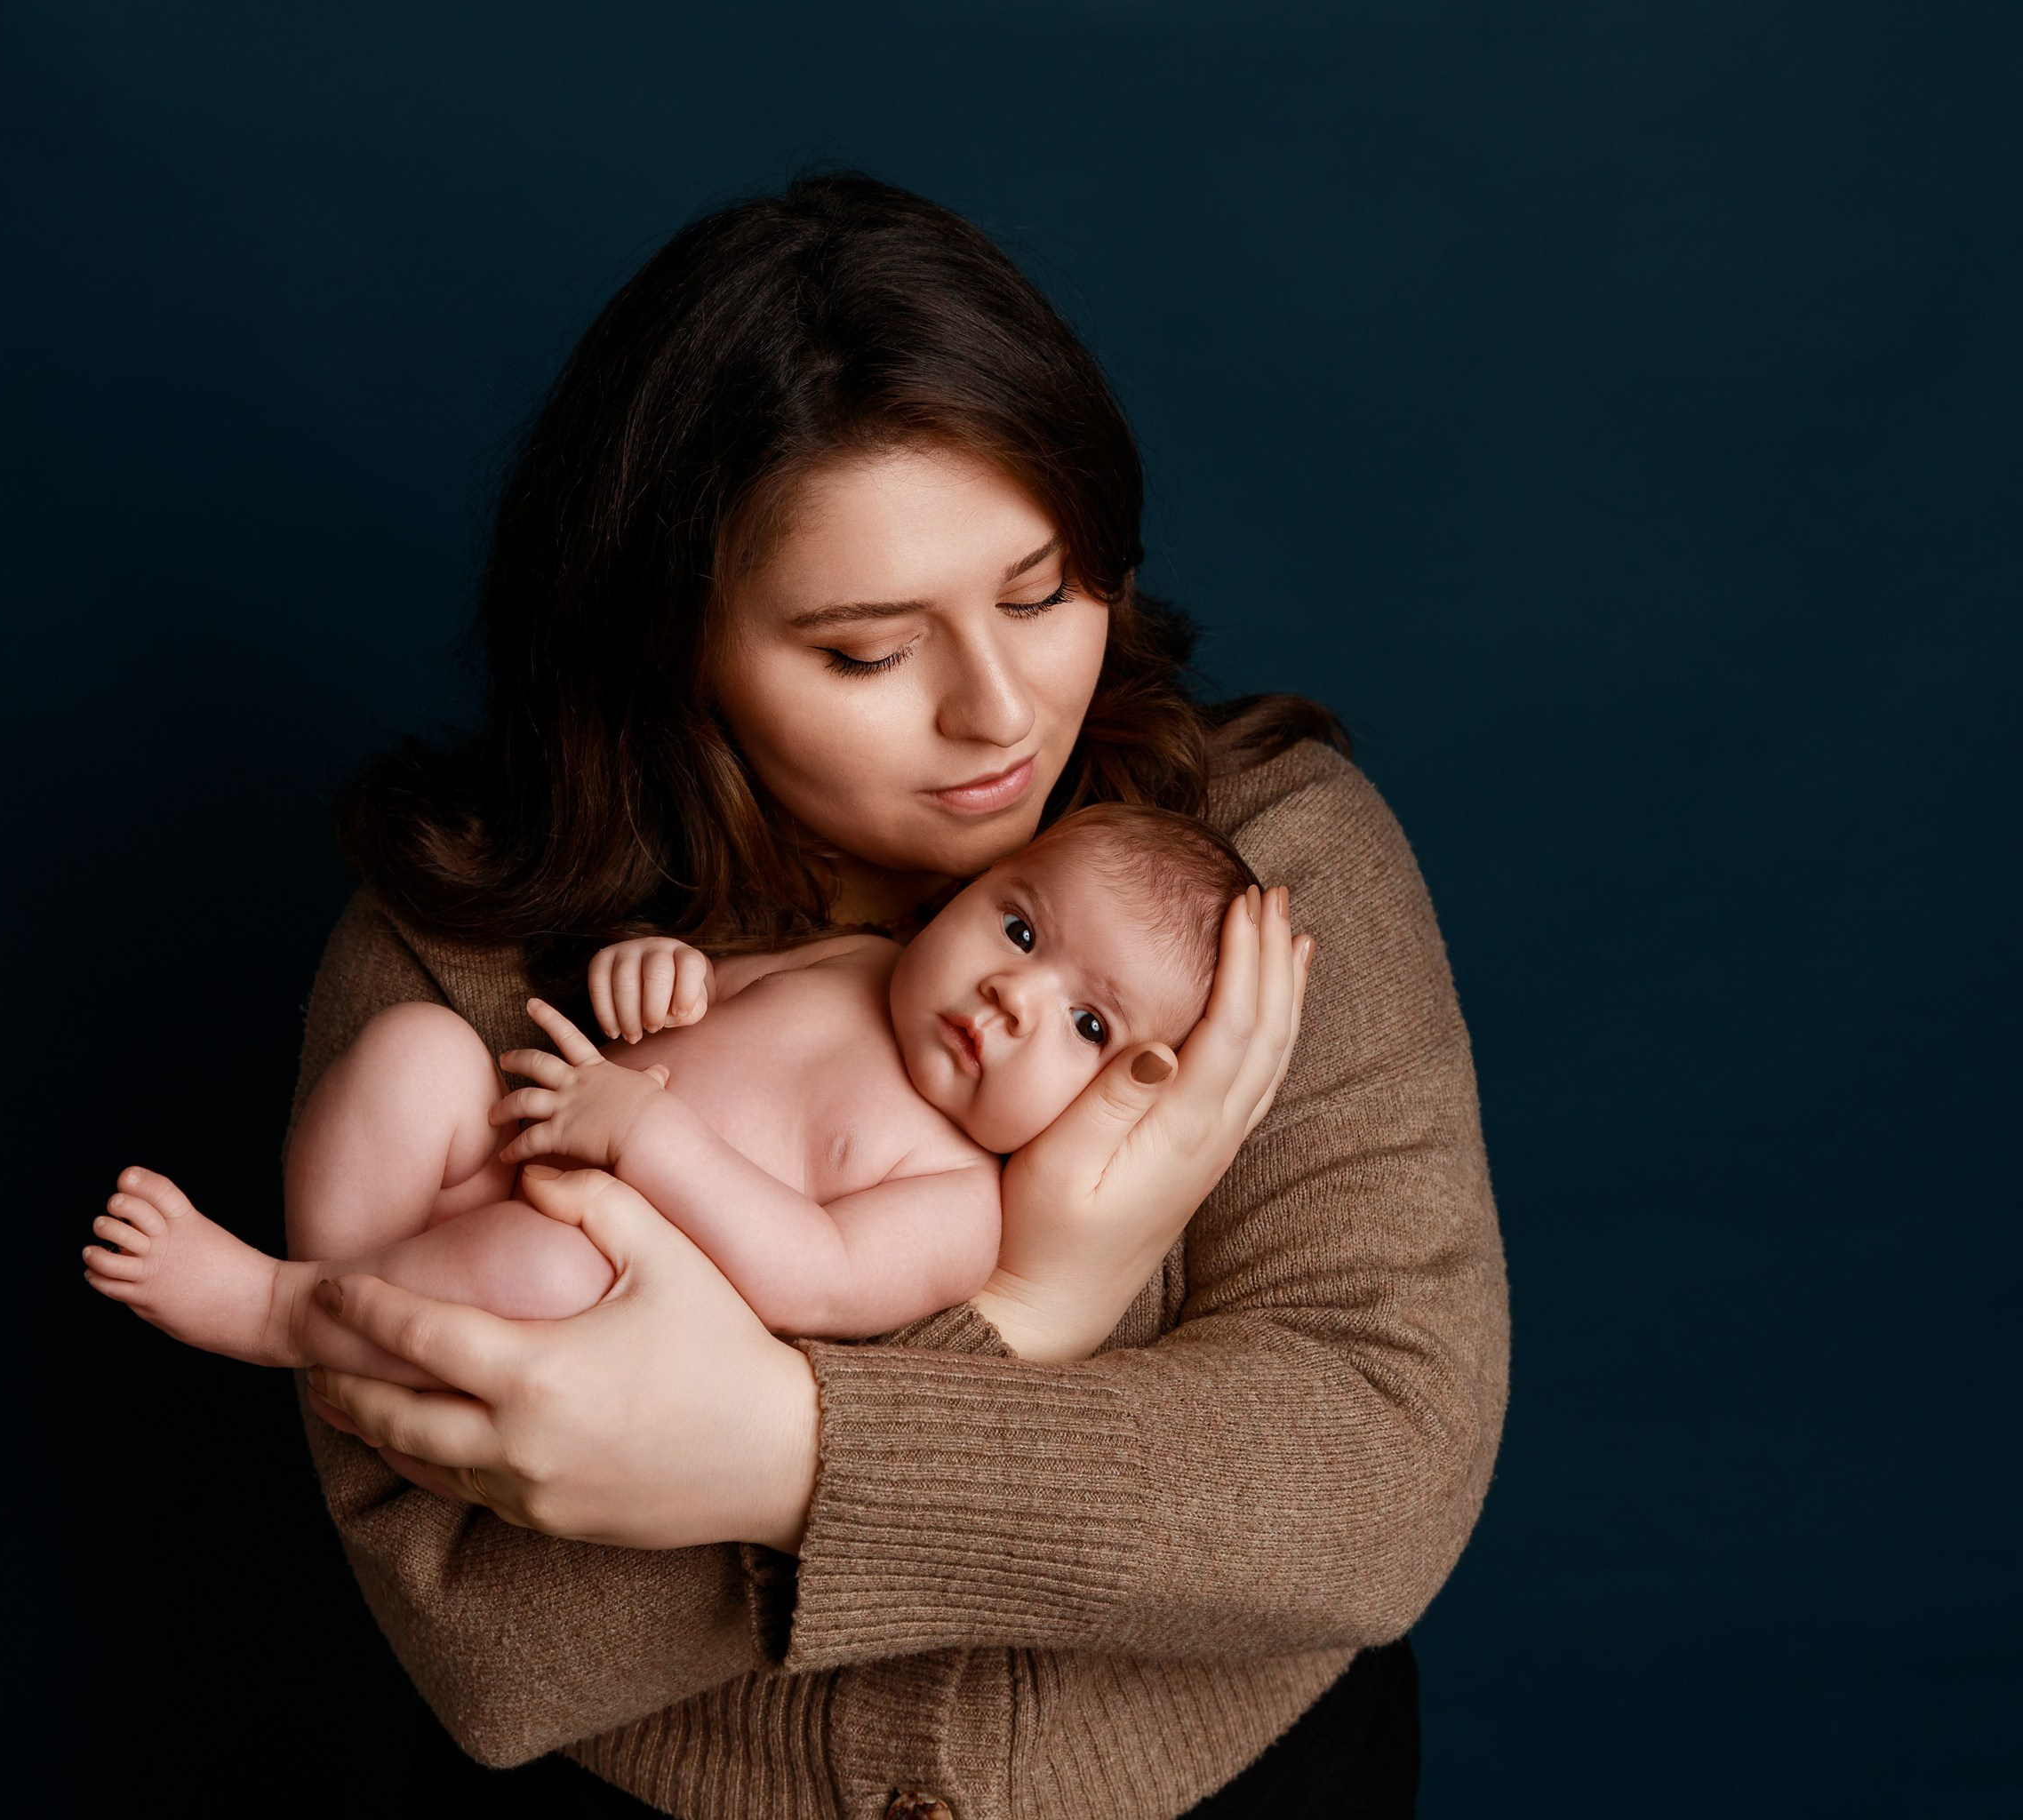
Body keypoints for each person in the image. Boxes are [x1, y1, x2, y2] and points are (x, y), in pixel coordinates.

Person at [279, 174, 1507, 1818]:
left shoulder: (1266, 873)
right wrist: (1029, 1316)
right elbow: (488, 1644)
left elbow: (1377, 1477)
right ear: (668, 643)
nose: (1001, 710)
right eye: (866, 653)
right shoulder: (467, 958)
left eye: (1042, 591)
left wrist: (784, 1451)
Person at [84, 806, 1297, 1373]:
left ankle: (287, 1315)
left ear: (1121, 1099)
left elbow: (812, 1273)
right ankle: (351, 1294)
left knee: (555, 1274)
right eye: (1020, 929)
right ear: (968, 892)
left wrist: (652, 1138)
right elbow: (705, 997)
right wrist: (653, 973)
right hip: (489, 1164)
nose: (1010, 999)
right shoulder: (858, 959)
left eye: (1088, 1025)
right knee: (416, 1049)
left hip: (568, 1272)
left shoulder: (957, 1200)